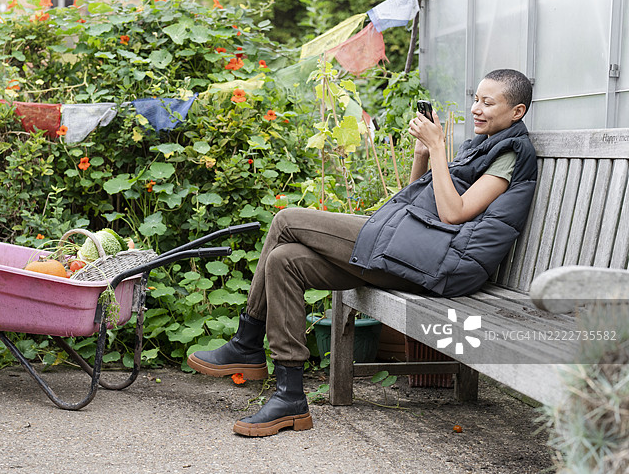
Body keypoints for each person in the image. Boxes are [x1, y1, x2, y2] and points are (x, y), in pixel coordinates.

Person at [188, 69, 538, 437]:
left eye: (488, 102)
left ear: (516, 111)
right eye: (476, 99)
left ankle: (246, 343)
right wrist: (423, 154)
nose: (477, 109)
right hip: (423, 251)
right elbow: (422, 200)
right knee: (284, 260)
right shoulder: (484, 145)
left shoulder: (511, 153)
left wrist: (438, 148)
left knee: (286, 220)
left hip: (440, 265)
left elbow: (453, 213)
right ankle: (290, 396)